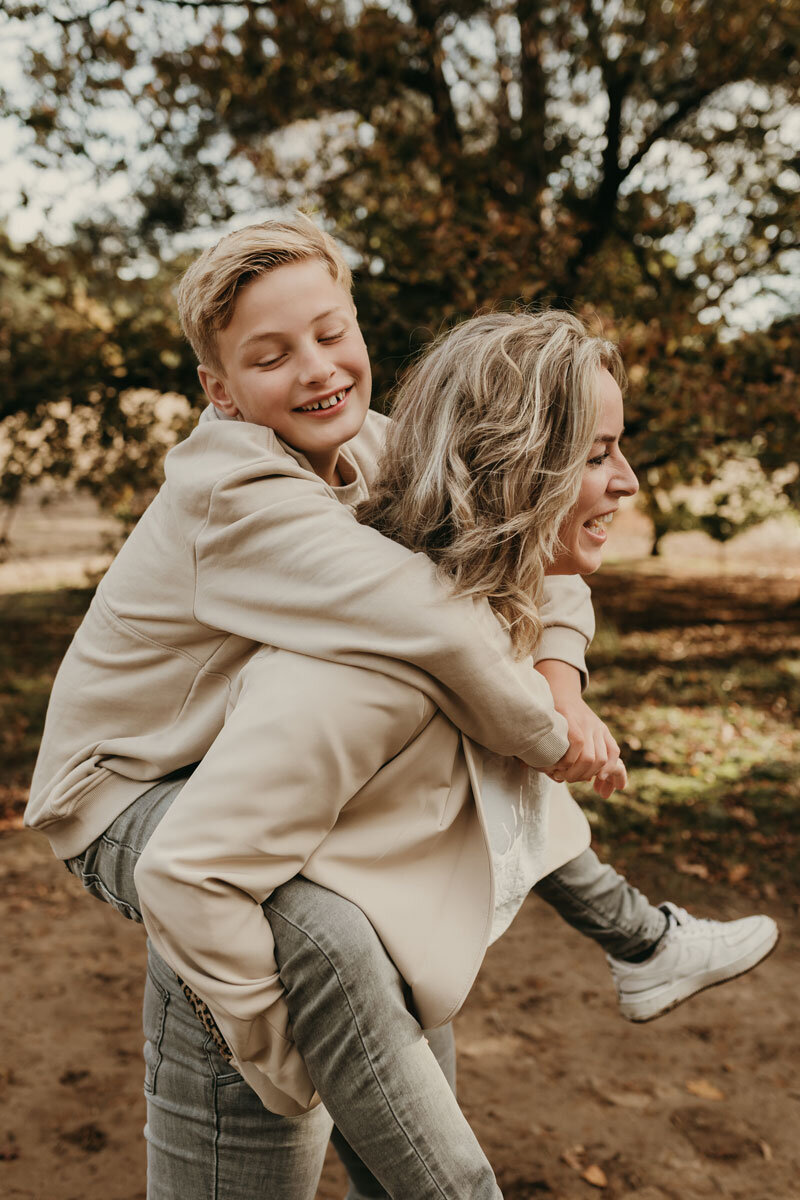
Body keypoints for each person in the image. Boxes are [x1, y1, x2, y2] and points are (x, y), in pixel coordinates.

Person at [26, 219, 777, 1197]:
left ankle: (637, 939)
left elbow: (517, 549)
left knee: (372, 932)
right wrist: (558, 739)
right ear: (219, 391)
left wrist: (558, 674)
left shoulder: (374, 445)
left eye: (330, 332)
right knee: (314, 922)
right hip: (127, 784)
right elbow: (436, 621)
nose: (315, 368)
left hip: (245, 761)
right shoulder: (234, 491)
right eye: (269, 355)